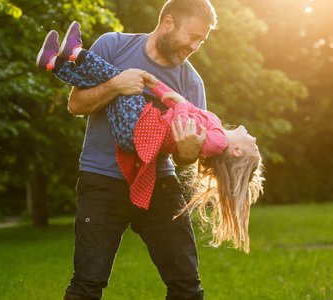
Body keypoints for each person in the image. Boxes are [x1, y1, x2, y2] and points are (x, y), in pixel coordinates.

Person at [38, 1, 223, 299]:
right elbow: (76, 105)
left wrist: (188, 152)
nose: (195, 46)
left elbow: (185, 158)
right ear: (168, 23)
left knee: (187, 285)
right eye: (192, 36)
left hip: (159, 184)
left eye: (201, 40)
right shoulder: (113, 45)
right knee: (87, 284)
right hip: (102, 181)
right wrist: (116, 85)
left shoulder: (191, 82)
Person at [37, 21, 264, 254]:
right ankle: (53, 63)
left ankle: (74, 53)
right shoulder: (215, 128)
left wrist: (179, 105)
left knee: (119, 79)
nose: (255, 140)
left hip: (139, 129)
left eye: (254, 147)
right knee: (110, 82)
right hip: (136, 132)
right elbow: (181, 106)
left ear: (236, 151)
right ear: (169, 22)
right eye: (194, 36)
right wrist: (157, 87)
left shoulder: (217, 141)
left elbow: (184, 123)